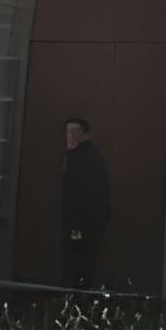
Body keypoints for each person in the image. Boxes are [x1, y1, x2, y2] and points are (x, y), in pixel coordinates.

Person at [59, 115, 111, 292]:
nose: (70, 136)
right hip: (85, 224)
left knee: (79, 258)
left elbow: (81, 196)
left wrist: (75, 226)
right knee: (81, 260)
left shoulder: (82, 158)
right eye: (68, 132)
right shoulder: (85, 156)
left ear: (85, 134)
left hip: (81, 225)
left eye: (74, 132)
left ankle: (79, 297)